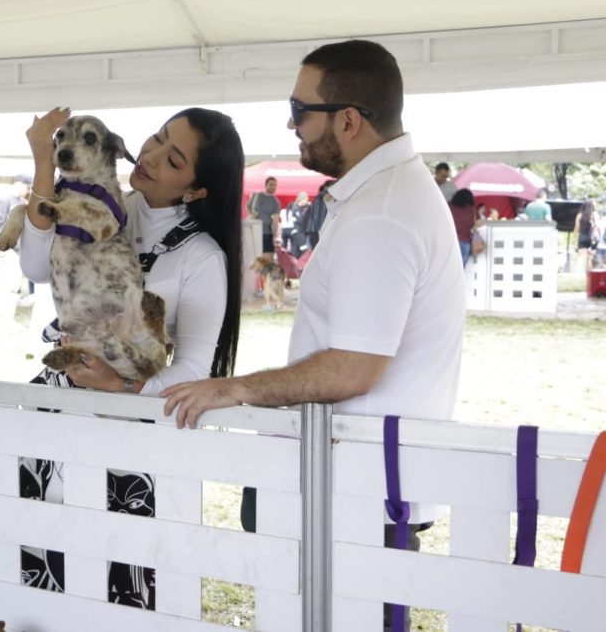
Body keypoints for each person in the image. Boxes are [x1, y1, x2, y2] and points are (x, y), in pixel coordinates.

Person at [160, 40, 465, 632]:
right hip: (364, 486)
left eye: (300, 110)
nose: (292, 125)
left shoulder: (383, 211)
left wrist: (236, 388)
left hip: (360, 494)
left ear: (348, 120)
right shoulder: (389, 193)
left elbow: (354, 367)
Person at [18, 106, 244, 610]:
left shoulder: (201, 257)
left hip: (131, 426)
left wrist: (122, 389)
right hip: (59, 410)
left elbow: (194, 369)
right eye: (158, 138)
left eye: (174, 158)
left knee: (119, 574)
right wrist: (41, 165)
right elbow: (34, 264)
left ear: (197, 188)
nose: (151, 155)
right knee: (47, 559)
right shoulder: (97, 197)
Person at [0, 174, 31, 333]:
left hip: (19, 251)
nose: (28, 190)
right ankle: (0, 324)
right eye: (27, 187)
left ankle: (9, 319)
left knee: (14, 288)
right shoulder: (3, 199)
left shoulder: (23, 203)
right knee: (4, 288)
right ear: (19, 184)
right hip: (6, 250)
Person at [248, 176, 282, 253]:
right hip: (253, 231)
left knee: (266, 257)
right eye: (271, 184)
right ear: (266, 185)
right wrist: (251, 215)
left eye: (275, 185)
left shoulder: (275, 202)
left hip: (266, 233)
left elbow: (275, 221)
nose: (273, 187)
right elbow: (247, 206)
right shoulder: (256, 196)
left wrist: (274, 237)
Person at [448, 188, 478, 267]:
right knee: (460, 270)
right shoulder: (471, 210)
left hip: (449, 241)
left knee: (446, 269)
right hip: (465, 243)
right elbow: (476, 224)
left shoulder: (448, 206)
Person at [303, 179, 336, 250]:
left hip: (314, 230)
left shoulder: (318, 196)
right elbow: (321, 214)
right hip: (320, 230)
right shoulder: (326, 196)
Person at [575, 199, 600, 273]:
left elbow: (577, 228)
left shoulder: (579, 215)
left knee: (581, 258)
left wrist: (575, 239)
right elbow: (597, 226)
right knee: (591, 258)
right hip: (592, 238)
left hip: (582, 237)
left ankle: (578, 273)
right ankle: (589, 274)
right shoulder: (594, 214)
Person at [286, 191, 312, 258]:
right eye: (305, 199)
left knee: (296, 250)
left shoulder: (306, 207)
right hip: (298, 231)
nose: (306, 201)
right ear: (301, 199)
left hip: (303, 231)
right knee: (304, 249)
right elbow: (300, 220)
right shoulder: (296, 208)